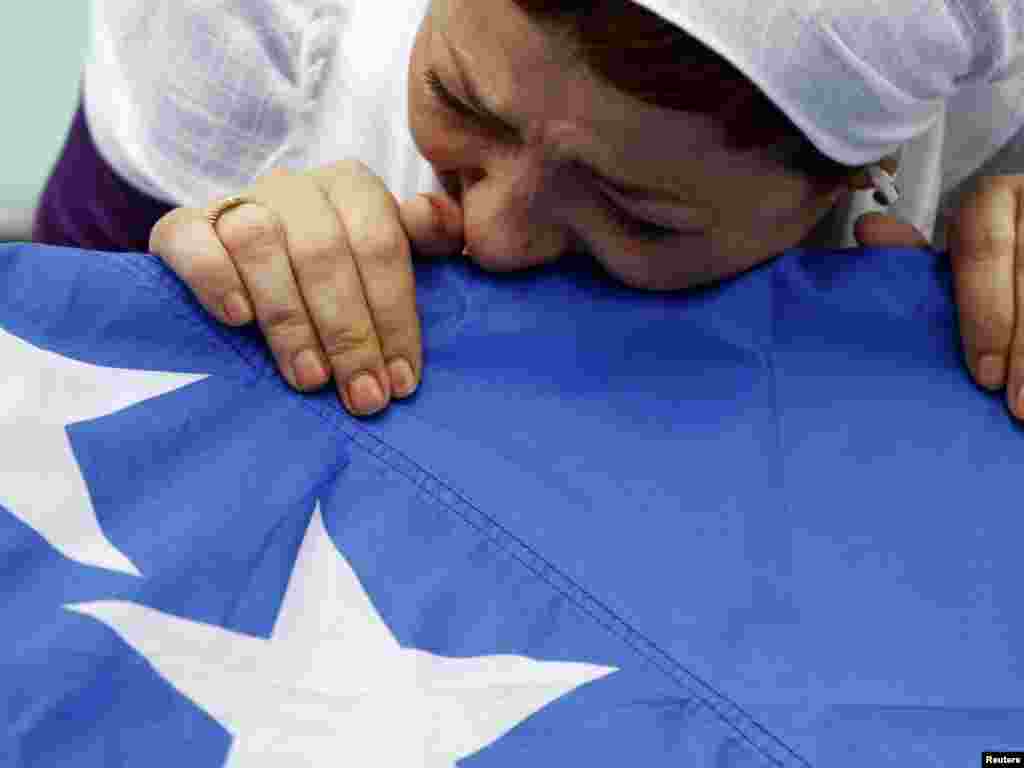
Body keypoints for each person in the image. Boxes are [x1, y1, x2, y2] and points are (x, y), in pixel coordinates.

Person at [33, 0, 1024, 420]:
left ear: (861, 173)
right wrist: (202, 290)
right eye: (457, 99)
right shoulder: (244, 38)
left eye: (639, 213)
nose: (499, 238)